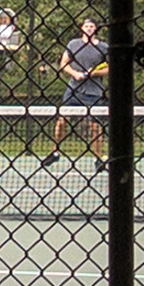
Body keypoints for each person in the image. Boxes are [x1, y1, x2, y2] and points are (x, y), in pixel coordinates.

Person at [41, 16, 108, 172]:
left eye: (92, 26)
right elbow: (64, 63)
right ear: (82, 29)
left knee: (95, 126)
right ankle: (55, 152)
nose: (90, 28)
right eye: (87, 26)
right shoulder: (74, 44)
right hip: (74, 90)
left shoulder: (104, 47)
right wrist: (75, 73)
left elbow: (110, 68)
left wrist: (94, 73)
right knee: (62, 122)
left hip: (94, 92)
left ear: (96, 29)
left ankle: (98, 159)